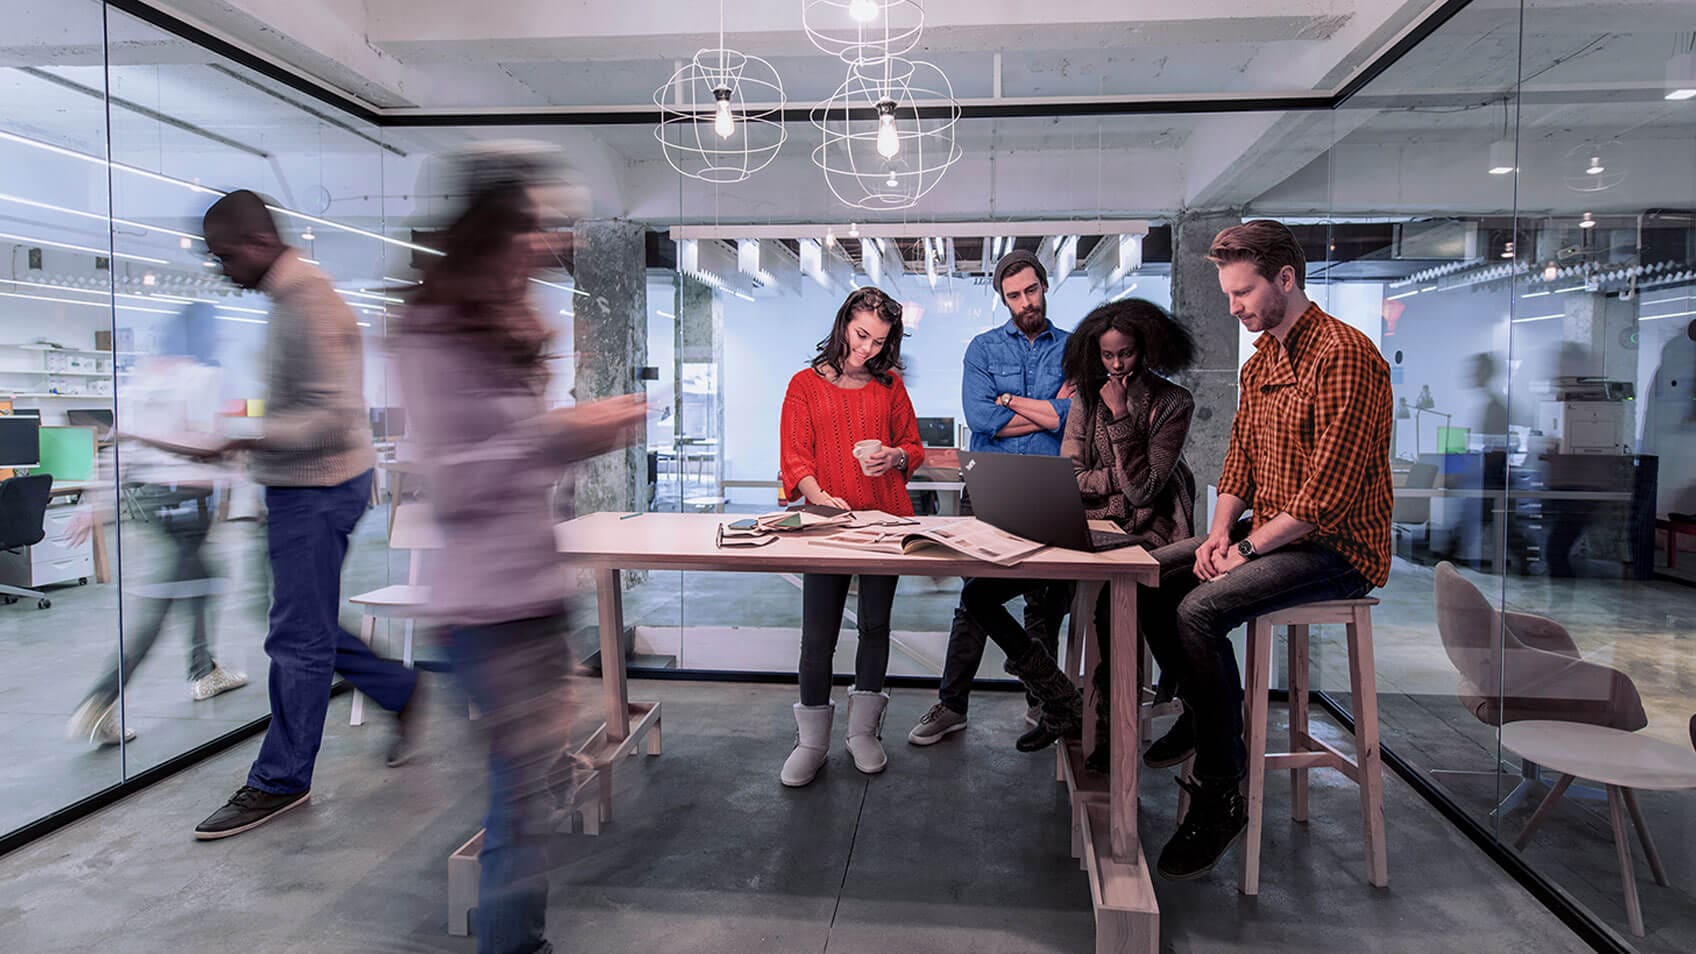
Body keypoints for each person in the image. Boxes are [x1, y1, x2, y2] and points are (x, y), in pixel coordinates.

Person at [397, 170, 644, 954]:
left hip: (530, 600)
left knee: (533, 791)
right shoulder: (432, 338)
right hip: (487, 612)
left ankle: (516, 938)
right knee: (521, 802)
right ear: (489, 238)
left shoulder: (493, 330)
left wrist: (566, 434)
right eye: (528, 234)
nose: (541, 250)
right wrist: (566, 434)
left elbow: (514, 471)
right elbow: (459, 482)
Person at [1137, 219, 1392, 881]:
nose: (1233, 306)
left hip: (1338, 547)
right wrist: (1220, 531)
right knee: (1143, 572)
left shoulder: (1346, 356)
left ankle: (1223, 791)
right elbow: (1242, 459)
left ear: (1286, 278)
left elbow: (1324, 499)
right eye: (1228, 293)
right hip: (1274, 532)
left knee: (1198, 611)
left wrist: (1244, 550)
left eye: (1243, 291)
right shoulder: (1263, 360)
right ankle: (1202, 706)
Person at [193, 190, 421, 841]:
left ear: (258, 243)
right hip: (302, 487)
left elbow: (330, 415)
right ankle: (400, 690)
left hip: (318, 487)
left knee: (297, 637)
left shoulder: (309, 303)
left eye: (225, 255)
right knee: (304, 623)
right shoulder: (288, 300)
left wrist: (246, 437)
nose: (221, 269)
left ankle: (281, 778)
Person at [908, 248, 1077, 749]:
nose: (1025, 301)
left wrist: (1018, 407)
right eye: (1014, 295)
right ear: (1003, 299)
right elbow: (982, 421)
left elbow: (1076, 416)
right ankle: (953, 704)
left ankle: (1046, 702)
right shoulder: (982, 350)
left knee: (1043, 604)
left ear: (1044, 286)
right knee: (975, 601)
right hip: (990, 487)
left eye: (1031, 290)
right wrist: (1050, 410)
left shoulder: (1073, 349)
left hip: (1050, 486)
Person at [66, 304, 248, 746]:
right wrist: (239, 490)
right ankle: (100, 701)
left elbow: (119, 448)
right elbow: (212, 445)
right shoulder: (203, 377)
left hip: (148, 498)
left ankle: (204, 670)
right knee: (165, 601)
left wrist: (95, 504)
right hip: (188, 501)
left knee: (203, 576)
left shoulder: (144, 378)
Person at [778, 286, 925, 787]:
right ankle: (812, 742)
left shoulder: (890, 386)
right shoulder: (803, 384)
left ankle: (864, 733)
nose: (867, 349)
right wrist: (819, 495)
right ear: (844, 323)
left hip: (884, 521)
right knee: (817, 636)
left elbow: (913, 447)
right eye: (862, 335)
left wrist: (894, 457)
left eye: (879, 342)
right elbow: (795, 456)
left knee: (875, 627)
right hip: (826, 525)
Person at [1059, 298, 1197, 773]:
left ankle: (1114, 740)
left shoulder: (1173, 403)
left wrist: (1119, 419)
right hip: (1098, 524)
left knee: (1115, 609)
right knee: (1095, 605)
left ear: (1149, 347)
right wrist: (1111, 487)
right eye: (1107, 356)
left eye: (1127, 354)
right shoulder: (1084, 398)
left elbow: (1146, 492)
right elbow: (1071, 475)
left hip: (1158, 532)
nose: (1117, 365)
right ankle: (1095, 723)